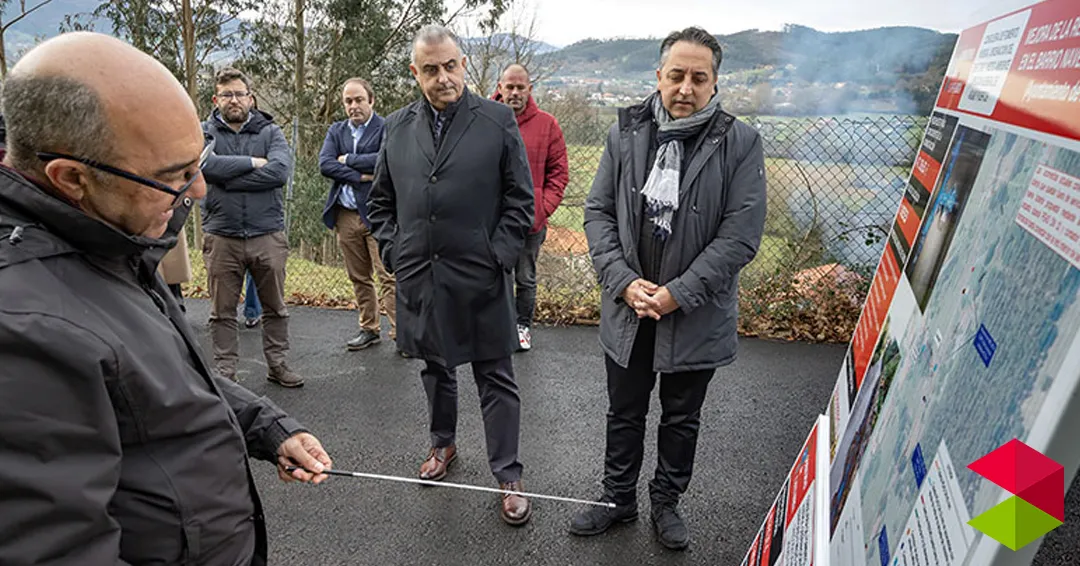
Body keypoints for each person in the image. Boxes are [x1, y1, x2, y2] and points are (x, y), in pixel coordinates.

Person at [0, 32, 333, 565]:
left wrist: (265, 426)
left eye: (199, 162)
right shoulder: (23, 327)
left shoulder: (106, 236)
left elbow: (156, 381)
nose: (198, 191)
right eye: (173, 176)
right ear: (71, 178)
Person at [570, 27, 767, 550]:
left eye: (698, 78)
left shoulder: (740, 142)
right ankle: (618, 499)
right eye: (676, 75)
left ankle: (666, 503)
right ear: (658, 76)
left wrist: (678, 292)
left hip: (694, 312)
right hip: (629, 306)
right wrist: (623, 281)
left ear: (715, 82)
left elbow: (740, 236)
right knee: (624, 411)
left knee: (682, 417)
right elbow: (598, 213)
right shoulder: (627, 131)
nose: (685, 87)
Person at [367, 24, 535, 525]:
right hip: (421, 275)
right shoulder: (395, 127)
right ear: (415, 73)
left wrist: (498, 255)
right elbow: (380, 202)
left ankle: (508, 472)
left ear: (464, 64)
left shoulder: (497, 119)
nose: (444, 78)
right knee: (435, 369)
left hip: (481, 275)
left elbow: (520, 200)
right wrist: (396, 252)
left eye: (451, 66)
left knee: (495, 376)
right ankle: (443, 445)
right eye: (432, 69)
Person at [201, 67, 301, 387]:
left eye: (239, 94)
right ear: (216, 99)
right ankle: (225, 372)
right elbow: (203, 166)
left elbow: (279, 173)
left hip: (266, 233)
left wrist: (226, 180)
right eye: (227, 94)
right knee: (222, 311)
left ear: (251, 98)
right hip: (221, 234)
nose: (234, 100)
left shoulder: (270, 132)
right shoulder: (204, 133)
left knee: (275, 307)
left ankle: (278, 364)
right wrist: (251, 163)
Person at [492, 63, 568, 352]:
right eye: (509, 87)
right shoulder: (485, 120)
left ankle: (522, 327)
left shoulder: (548, 125)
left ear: (529, 89)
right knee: (495, 276)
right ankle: (498, 327)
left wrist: (542, 207)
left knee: (525, 277)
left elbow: (559, 173)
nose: (514, 92)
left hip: (530, 222)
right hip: (492, 220)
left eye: (520, 87)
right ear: (500, 87)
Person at [319, 77, 397, 352]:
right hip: (346, 215)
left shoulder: (386, 127)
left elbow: (386, 160)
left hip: (377, 213)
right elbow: (325, 164)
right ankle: (369, 328)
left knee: (388, 275)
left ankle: (402, 333)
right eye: (348, 101)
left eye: (359, 100)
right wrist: (361, 176)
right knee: (359, 276)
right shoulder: (336, 131)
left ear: (371, 100)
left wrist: (348, 159)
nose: (353, 106)